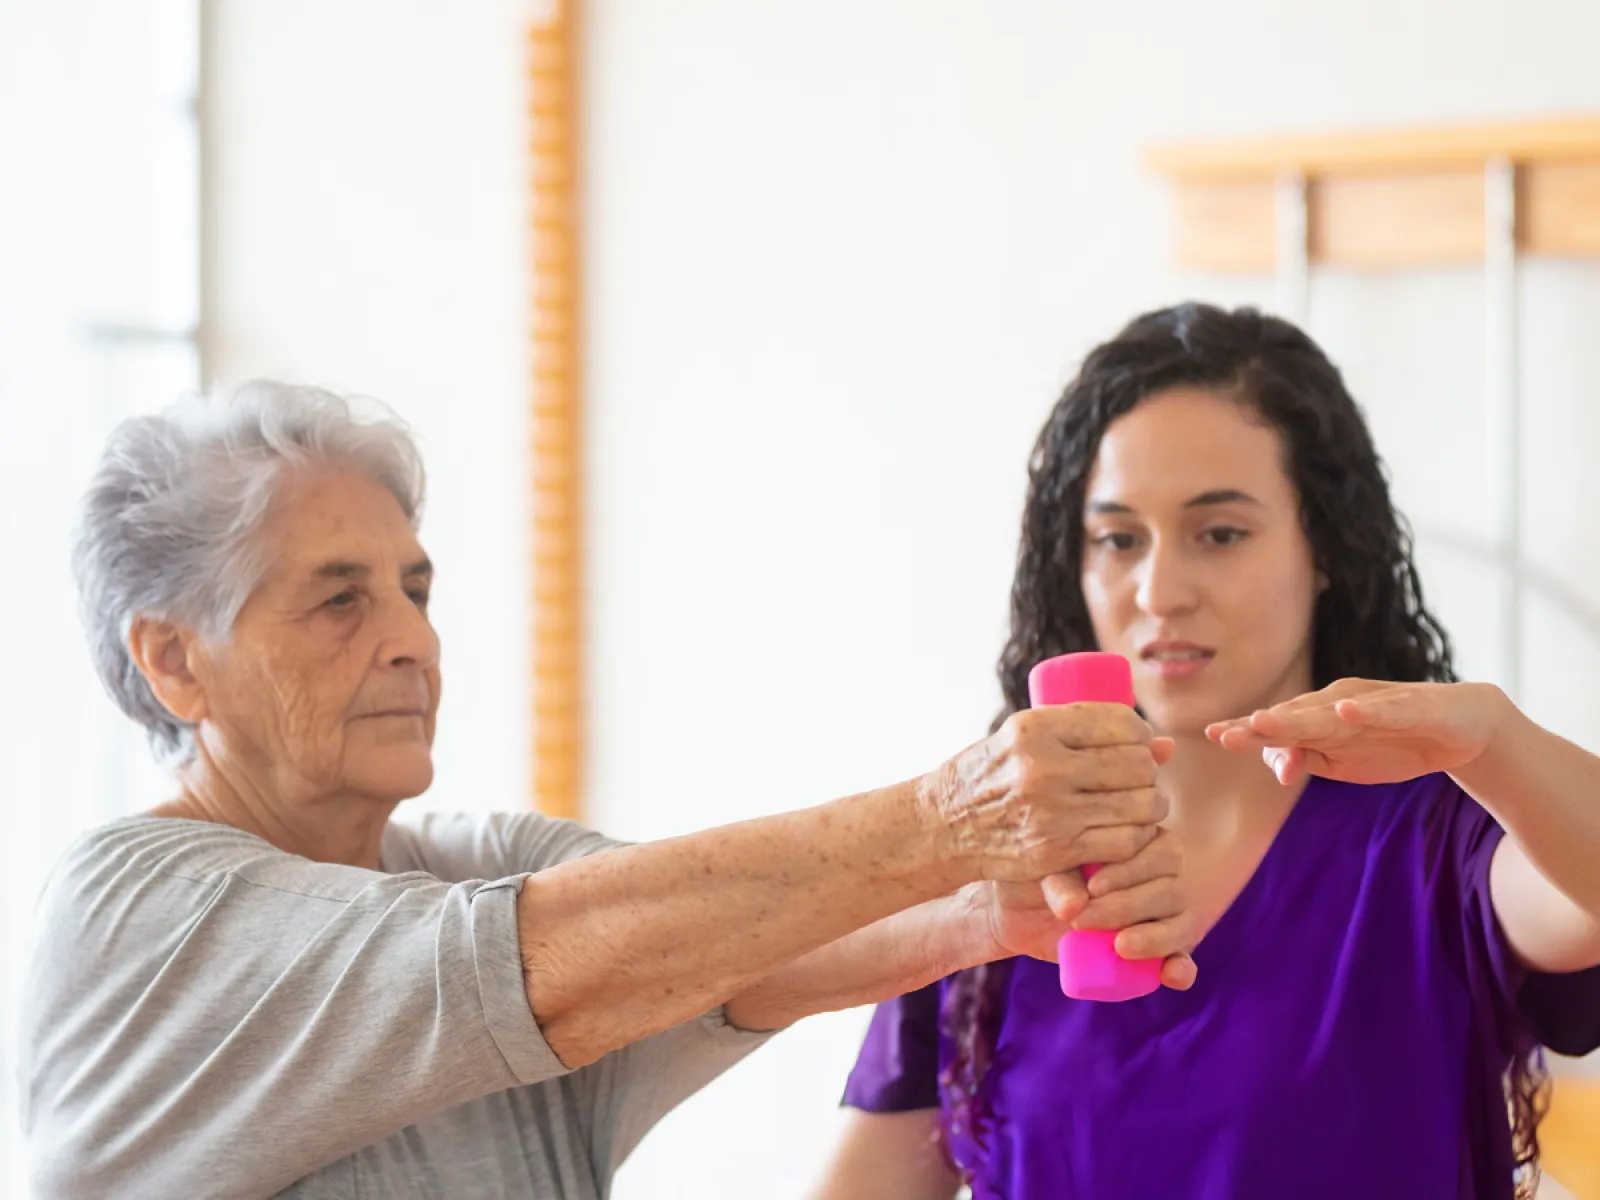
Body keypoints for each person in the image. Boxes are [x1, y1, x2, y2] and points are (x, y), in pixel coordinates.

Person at [19, 380, 1202, 1199]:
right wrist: (950, 818)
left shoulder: (474, 864)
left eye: (415, 591)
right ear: (176, 661)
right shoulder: (133, 913)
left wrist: (988, 913)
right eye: (341, 600)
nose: (411, 644)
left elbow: (715, 954)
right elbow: (531, 964)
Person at [819, 303, 1600, 1200]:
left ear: (1326, 551)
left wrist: (1496, 736)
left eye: (1219, 533)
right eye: (1118, 539)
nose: (1159, 590)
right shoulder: (997, 880)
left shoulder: (1443, 842)